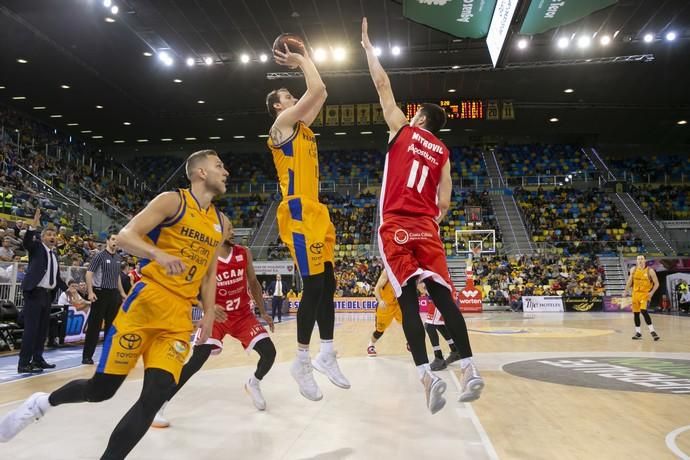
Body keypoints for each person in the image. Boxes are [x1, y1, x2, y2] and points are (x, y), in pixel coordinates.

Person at [0, 149, 227, 459]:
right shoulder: (172, 201)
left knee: (156, 395)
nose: (225, 172)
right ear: (200, 173)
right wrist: (157, 254)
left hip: (178, 319)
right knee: (101, 390)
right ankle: (41, 404)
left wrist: (209, 318)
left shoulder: (220, 221)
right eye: (219, 166)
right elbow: (125, 235)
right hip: (145, 304)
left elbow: (210, 275)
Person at [362, 17, 483, 414]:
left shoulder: (402, 129)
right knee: (445, 298)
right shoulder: (444, 153)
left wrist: (368, 49)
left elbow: (382, 86)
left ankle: (426, 377)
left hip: (395, 224)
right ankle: (468, 368)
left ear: (419, 119)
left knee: (408, 302)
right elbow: (445, 202)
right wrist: (430, 222)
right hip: (427, 227)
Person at [266, 41, 349, 401]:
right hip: (298, 210)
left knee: (328, 283)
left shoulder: (303, 128)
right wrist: (300, 60)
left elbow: (322, 91)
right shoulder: (281, 125)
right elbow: (314, 88)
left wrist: (309, 59)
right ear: (277, 105)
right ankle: (301, 359)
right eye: (288, 95)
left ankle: (326, 353)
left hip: (316, 209)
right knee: (314, 286)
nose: (294, 98)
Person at [153, 218, 276, 427]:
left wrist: (263, 311)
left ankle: (253, 383)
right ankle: (158, 405)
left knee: (270, 352)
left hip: (242, 316)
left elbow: (253, 282)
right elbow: (191, 289)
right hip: (215, 317)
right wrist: (206, 308)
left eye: (232, 228)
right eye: (229, 228)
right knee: (195, 361)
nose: (233, 231)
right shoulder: (203, 258)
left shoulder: (243, 252)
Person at [16, 209, 67, 373]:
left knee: (42, 330)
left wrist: (70, 291)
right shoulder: (36, 247)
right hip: (34, 293)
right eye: (49, 234)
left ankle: (38, 359)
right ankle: (23, 363)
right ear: (43, 237)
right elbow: (27, 243)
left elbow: (57, 278)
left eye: (54, 234)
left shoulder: (54, 254)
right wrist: (33, 225)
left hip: (47, 295)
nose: (53, 237)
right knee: (31, 329)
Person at [83, 234, 128, 365]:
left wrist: (122, 292)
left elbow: (117, 277)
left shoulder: (119, 258)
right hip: (100, 292)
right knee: (94, 326)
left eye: (117, 240)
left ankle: (108, 355)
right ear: (107, 241)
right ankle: (87, 356)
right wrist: (90, 292)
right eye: (113, 239)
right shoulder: (100, 256)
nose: (115, 242)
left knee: (111, 327)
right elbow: (89, 273)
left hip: (114, 294)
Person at [624, 255, 660, 341]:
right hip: (635, 294)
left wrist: (651, 292)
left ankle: (652, 331)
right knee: (636, 313)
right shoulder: (633, 269)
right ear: (636, 261)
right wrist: (625, 290)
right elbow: (630, 281)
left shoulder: (650, 271)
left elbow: (657, 283)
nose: (640, 260)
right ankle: (638, 332)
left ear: (645, 260)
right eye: (638, 259)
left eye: (642, 259)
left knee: (643, 311)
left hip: (645, 294)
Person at [367, 270, 403, 357]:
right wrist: (380, 301)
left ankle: (411, 343)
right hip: (386, 305)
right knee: (380, 330)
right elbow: (376, 288)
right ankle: (371, 345)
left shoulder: (404, 269)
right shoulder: (387, 272)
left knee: (408, 324)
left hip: (398, 304)